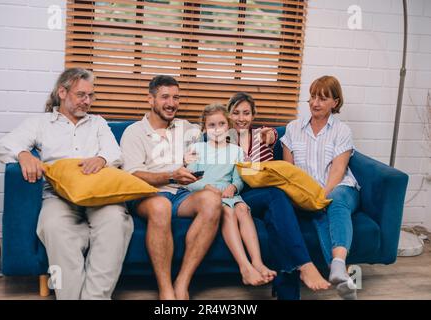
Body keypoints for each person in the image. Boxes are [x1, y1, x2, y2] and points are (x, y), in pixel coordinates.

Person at [0, 68, 134, 300]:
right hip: (58, 196)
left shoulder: (97, 123)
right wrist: (23, 155)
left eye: (90, 95)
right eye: (81, 95)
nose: (87, 101)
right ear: (62, 92)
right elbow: (3, 145)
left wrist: (101, 159)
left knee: (117, 222)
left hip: (99, 194)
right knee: (53, 227)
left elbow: (114, 152)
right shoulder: (41, 122)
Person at [120, 75, 222, 300]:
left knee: (213, 201)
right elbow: (133, 174)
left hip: (181, 194)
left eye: (176, 97)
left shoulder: (188, 129)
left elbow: (220, 134)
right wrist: (170, 176)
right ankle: (165, 289)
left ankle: (182, 282)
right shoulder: (134, 132)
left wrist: (262, 136)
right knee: (160, 206)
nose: (172, 103)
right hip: (148, 194)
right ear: (150, 99)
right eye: (165, 97)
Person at [226, 92, 331, 299]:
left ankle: (287, 293)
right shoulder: (224, 138)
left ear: (253, 115)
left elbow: (272, 135)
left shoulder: (262, 135)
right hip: (243, 195)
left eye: (246, 113)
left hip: (266, 194)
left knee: (277, 221)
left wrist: (270, 136)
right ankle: (304, 263)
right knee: (277, 196)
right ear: (229, 115)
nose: (241, 118)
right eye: (236, 113)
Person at [281, 75, 360, 300]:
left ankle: (337, 264)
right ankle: (341, 273)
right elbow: (290, 172)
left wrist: (321, 196)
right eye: (313, 97)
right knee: (317, 214)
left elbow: (338, 170)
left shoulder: (342, 130)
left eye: (323, 98)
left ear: (335, 102)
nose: (315, 103)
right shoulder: (293, 128)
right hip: (308, 192)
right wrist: (308, 198)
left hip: (341, 187)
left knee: (333, 202)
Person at [185, 103, 277, 286]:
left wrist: (233, 188)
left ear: (228, 126)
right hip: (205, 194)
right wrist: (208, 188)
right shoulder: (198, 148)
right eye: (211, 125)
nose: (217, 129)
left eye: (221, 124)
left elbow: (239, 179)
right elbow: (190, 180)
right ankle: (244, 266)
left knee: (243, 209)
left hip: (228, 194)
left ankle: (257, 261)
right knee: (227, 212)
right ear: (204, 128)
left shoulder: (236, 151)